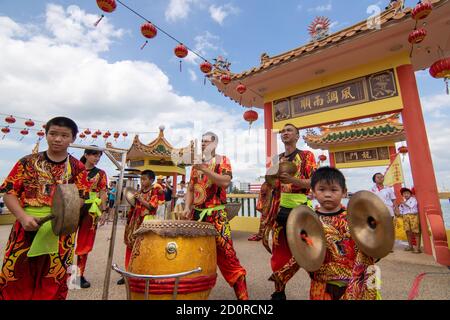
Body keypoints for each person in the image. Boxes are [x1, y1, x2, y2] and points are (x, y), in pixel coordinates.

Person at [0, 117, 90, 300]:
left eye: (64, 135)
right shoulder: (27, 162)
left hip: (60, 233)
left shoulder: (78, 168)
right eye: (53, 134)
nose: (57, 139)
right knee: (15, 277)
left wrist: (66, 208)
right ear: (46, 134)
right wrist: (23, 217)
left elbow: (82, 197)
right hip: (26, 228)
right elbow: (9, 192)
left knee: (53, 280)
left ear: (73, 139)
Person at [182, 132, 249, 300]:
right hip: (197, 216)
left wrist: (204, 169)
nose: (203, 144)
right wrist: (187, 207)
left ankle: (243, 297)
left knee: (228, 255)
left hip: (216, 215)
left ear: (215, 144)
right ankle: (194, 295)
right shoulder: (195, 165)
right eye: (202, 142)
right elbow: (191, 189)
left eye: (207, 141)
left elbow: (225, 182)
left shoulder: (222, 160)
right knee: (193, 253)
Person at [264, 123, 317, 300]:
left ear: (297, 136)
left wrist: (294, 180)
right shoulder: (276, 159)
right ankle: (279, 293)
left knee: (311, 251)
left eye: (289, 131)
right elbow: (270, 185)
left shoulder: (306, 156)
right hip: (280, 211)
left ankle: (320, 290)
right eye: (283, 131)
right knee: (279, 255)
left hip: (301, 212)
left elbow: (315, 182)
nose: (285, 133)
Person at [309, 166, 379, 300]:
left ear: (344, 192)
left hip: (356, 281)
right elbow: (303, 249)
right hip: (322, 283)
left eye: (334, 190)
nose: (327, 194)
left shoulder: (357, 218)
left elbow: (373, 247)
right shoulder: (308, 220)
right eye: (321, 189)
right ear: (313, 192)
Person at [117, 170, 161, 285]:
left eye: (144, 179)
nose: (142, 181)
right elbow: (133, 206)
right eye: (141, 179)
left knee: (143, 248)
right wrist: (128, 220)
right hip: (134, 221)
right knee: (130, 246)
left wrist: (141, 199)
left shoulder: (155, 190)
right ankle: (128, 273)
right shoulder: (140, 191)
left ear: (151, 180)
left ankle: (141, 274)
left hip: (146, 223)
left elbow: (152, 207)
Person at [75, 147, 108, 289]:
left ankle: (78, 275)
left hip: (91, 210)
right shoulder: (75, 170)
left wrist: (103, 211)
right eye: (94, 155)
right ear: (86, 155)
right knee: (64, 241)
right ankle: (58, 272)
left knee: (84, 243)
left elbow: (103, 192)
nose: (96, 158)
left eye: (99, 156)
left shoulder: (101, 173)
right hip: (73, 207)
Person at [399, 187, 421, 253]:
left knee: (416, 231)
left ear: (410, 194)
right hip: (405, 217)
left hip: (413, 216)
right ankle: (410, 246)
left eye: (407, 193)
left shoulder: (413, 199)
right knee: (407, 231)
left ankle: (417, 248)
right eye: (404, 194)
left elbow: (411, 206)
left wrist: (404, 203)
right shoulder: (403, 201)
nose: (405, 195)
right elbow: (401, 210)